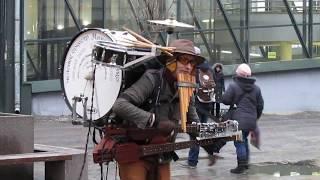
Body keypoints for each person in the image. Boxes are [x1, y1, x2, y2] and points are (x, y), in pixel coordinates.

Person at [112, 39, 204, 180]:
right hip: (136, 150)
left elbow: (194, 121)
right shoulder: (152, 78)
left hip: (162, 151)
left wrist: (208, 135)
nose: (189, 67)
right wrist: (153, 120)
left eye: (192, 63)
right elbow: (120, 105)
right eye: (184, 60)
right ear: (171, 62)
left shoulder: (187, 86)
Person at [221, 63, 264, 174]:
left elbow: (225, 100)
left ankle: (241, 166)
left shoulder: (233, 86)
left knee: (239, 142)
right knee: (244, 140)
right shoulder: (257, 88)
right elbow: (260, 106)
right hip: (251, 120)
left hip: (238, 120)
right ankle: (246, 164)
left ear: (238, 74)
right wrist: (255, 118)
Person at [185, 58, 216, 168]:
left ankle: (192, 161)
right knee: (202, 132)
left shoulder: (196, 72)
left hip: (197, 107)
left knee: (195, 134)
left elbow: (191, 90)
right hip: (207, 106)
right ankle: (211, 152)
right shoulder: (209, 71)